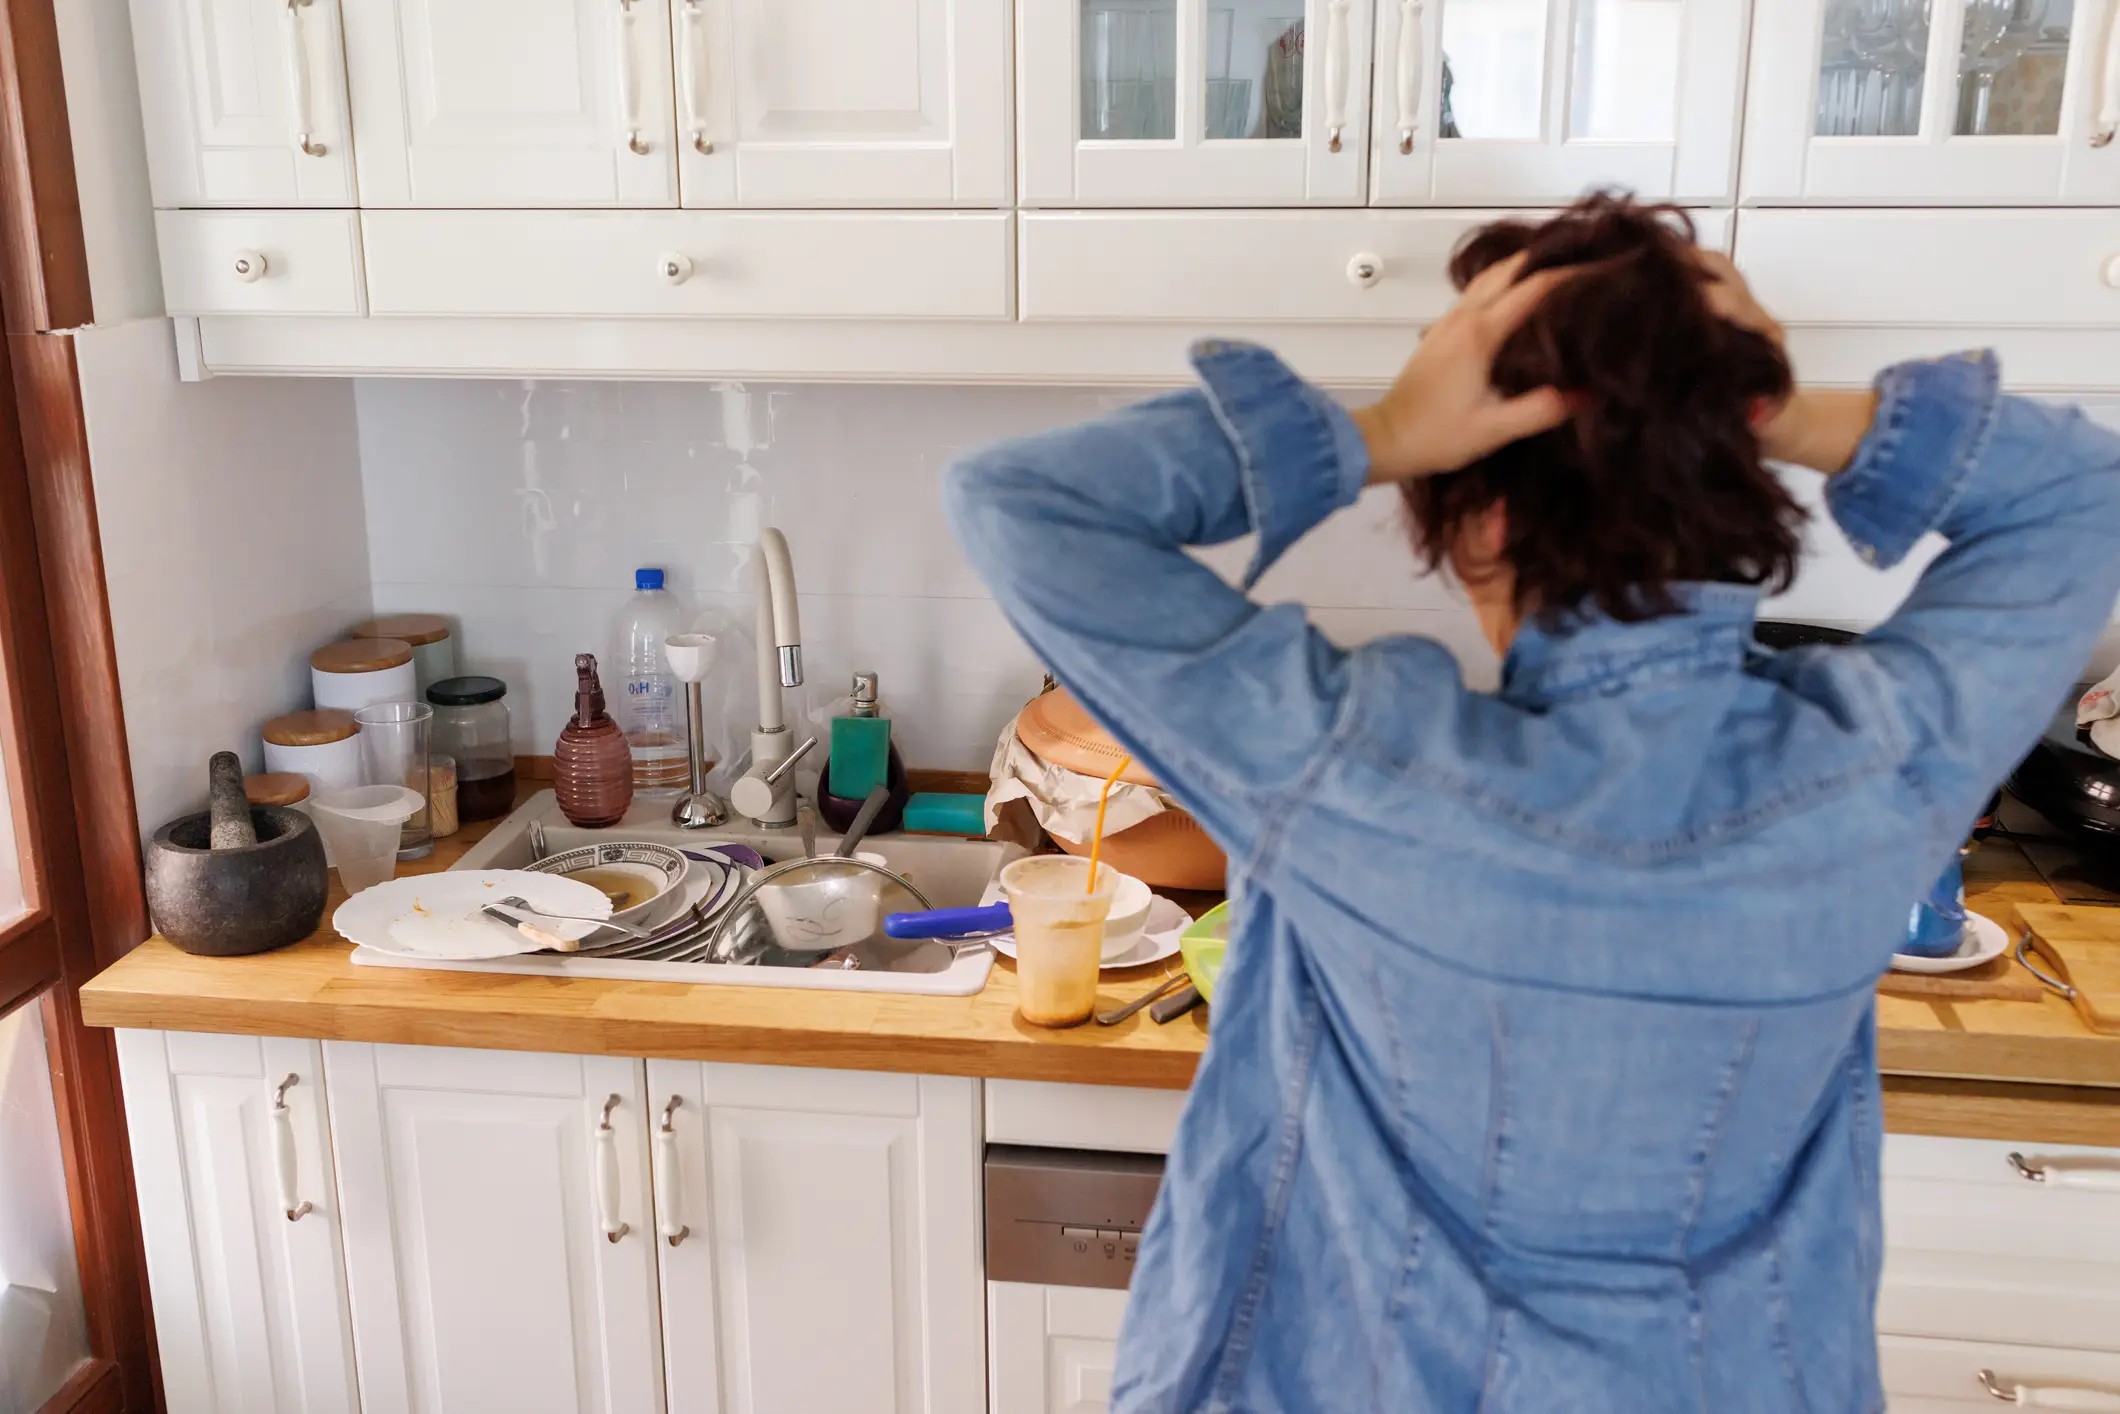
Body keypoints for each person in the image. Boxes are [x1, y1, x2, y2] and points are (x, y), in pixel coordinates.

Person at [942, 195, 2120, 1412]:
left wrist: (1386, 429)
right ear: (1732, 473)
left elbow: (1019, 501)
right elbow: (2082, 494)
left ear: (1477, 515)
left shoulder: (1352, 763)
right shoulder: (1875, 766)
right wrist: (1773, 411)